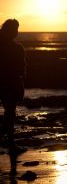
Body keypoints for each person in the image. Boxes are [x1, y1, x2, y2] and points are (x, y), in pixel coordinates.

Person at [0, 19, 26, 154]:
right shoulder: (16, 48)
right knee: (10, 114)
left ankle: (11, 144)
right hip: (10, 84)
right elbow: (20, 70)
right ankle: (10, 144)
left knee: (9, 113)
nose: (17, 32)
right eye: (15, 29)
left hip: (5, 84)